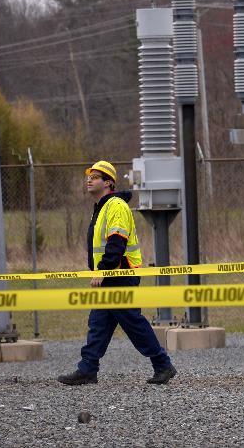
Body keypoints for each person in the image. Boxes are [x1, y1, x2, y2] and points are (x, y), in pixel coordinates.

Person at [57, 160, 177, 386]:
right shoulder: (102, 207)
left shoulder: (116, 206)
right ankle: (87, 369)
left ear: (108, 183)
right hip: (110, 276)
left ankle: (163, 365)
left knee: (132, 322)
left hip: (119, 275)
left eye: (95, 177)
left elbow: (116, 243)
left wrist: (103, 271)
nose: (89, 180)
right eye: (89, 176)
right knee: (98, 324)